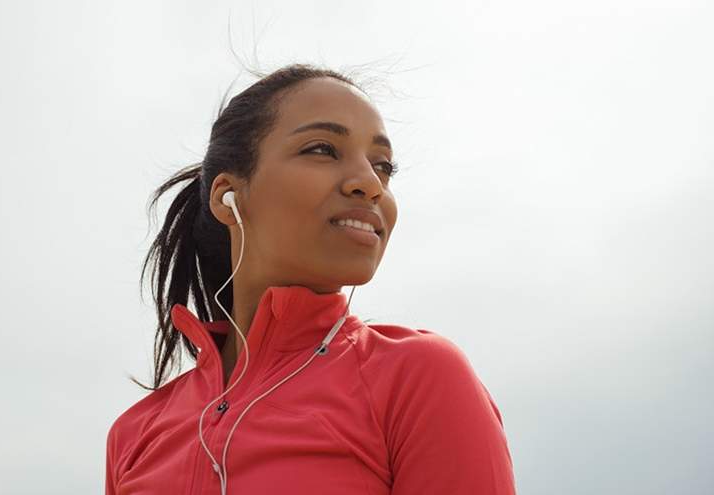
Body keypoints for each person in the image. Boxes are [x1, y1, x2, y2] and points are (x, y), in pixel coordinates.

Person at [105, 63, 517, 494]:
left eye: (383, 166)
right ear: (228, 197)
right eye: (322, 150)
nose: (369, 184)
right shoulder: (134, 434)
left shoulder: (418, 376)